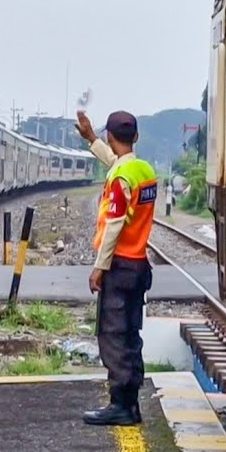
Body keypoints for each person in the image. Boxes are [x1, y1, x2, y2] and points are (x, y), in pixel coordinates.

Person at [76, 109, 158, 426]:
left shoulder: (121, 178)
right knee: (130, 335)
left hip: (120, 267)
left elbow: (113, 224)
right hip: (139, 266)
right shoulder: (143, 170)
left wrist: (99, 267)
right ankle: (130, 403)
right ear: (135, 137)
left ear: (112, 136)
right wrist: (91, 140)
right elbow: (117, 163)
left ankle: (121, 406)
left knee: (112, 336)